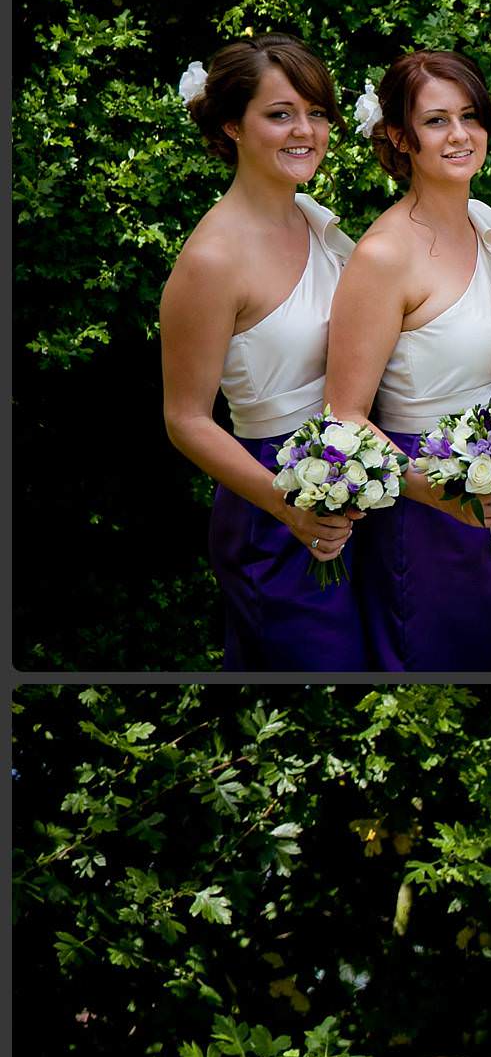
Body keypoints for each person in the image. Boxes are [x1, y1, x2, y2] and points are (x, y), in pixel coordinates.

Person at [159, 33, 366, 669]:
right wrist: (289, 505)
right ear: (233, 125)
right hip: (272, 503)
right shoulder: (212, 260)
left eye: (318, 113)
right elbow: (186, 419)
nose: (306, 130)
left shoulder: (314, 219)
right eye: (280, 114)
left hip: (352, 487)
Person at [329, 48, 491, 673]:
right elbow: (345, 416)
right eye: (437, 122)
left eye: (470, 117)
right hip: (425, 510)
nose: (460, 136)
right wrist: (445, 496)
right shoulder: (384, 256)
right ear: (402, 138)